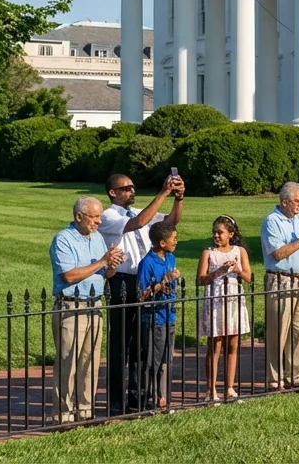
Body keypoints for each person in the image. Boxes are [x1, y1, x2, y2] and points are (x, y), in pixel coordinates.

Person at [99, 172, 184, 415]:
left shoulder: (138, 212)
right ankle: (116, 399)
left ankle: (139, 395)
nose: (131, 191)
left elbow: (169, 223)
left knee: (142, 342)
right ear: (112, 193)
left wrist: (179, 198)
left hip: (146, 279)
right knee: (121, 342)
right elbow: (135, 225)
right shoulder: (109, 216)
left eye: (133, 187)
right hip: (123, 281)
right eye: (125, 188)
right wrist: (163, 192)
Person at [49, 196, 123, 424]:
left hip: (95, 305)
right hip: (71, 306)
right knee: (68, 362)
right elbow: (69, 276)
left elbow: (105, 275)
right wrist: (102, 262)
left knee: (90, 361)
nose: (99, 222)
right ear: (78, 216)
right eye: (94, 217)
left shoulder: (98, 238)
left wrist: (111, 266)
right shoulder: (63, 240)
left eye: (100, 216)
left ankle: (86, 411)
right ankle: (64, 414)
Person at [259, 182, 299, 390]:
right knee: (279, 330)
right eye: (297, 201)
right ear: (284, 201)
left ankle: (295, 376)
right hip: (281, 279)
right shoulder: (272, 221)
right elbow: (277, 253)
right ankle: (275, 378)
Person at [197, 215, 253, 401]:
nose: (216, 235)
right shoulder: (208, 252)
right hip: (215, 300)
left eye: (220, 232)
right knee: (215, 344)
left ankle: (229, 387)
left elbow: (249, 277)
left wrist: (237, 269)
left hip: (234, 300)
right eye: (214, 232)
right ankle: (211, 390)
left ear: (230, 234)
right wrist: (218, 272)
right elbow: (201, 279)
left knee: (233, 344)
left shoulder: (240, 251)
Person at [136, 222, 179, 410]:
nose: (176, 242)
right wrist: (162, 283)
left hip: (169, 314)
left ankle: (163, 395)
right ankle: (152, 396)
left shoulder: (170, 258)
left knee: (167, 359)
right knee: (154, 359)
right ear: (162, 243)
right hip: (155, 318)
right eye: (173, 239)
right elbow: (141, 296)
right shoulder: (147, 263)